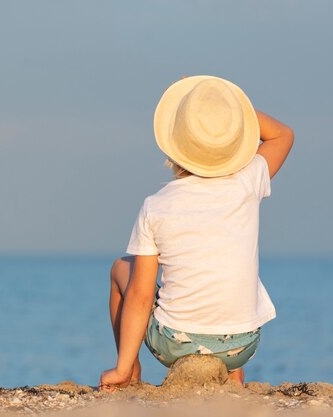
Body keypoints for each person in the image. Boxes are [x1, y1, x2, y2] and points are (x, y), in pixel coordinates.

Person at [99, 75, 294, 391]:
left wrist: (121, 367)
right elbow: (283, 135)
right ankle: (231, 372)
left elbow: (141, 293)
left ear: (176, 144)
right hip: (243, 345)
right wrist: (235, 113)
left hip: (175, 345)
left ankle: (130, 369)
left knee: (122, 269)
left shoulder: (156, 206)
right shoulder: (247, 183)